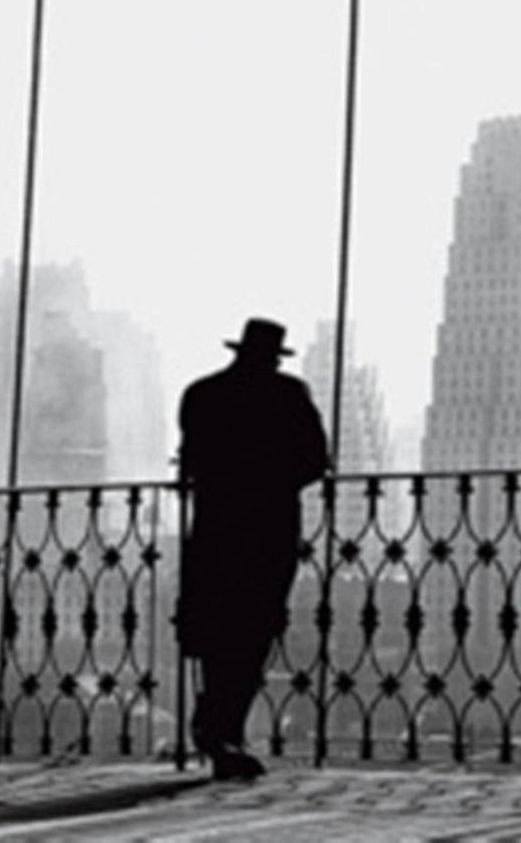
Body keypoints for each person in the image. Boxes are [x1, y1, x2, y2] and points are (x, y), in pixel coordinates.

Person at [176, 317, 328, 780]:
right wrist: (270, 481)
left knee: (215, 624)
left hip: (216, 528)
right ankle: (224, 727)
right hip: (269, 530)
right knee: (254, 630)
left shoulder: (202, 394)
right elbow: (315, 462)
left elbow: (191, 460)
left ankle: (215, 722)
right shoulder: (290, 396)